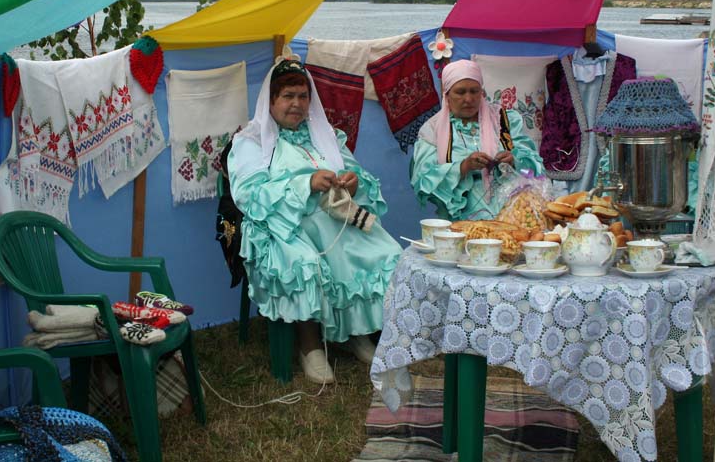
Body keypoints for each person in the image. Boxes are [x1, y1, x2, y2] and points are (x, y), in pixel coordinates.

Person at [228, 56, 401, 384]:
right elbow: (249, 195)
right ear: (271, 101)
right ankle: (310, 347)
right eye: (287, 96)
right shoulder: (251, 141)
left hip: (336, 216)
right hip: (283, 223)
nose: (296, 104)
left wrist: (353, 181)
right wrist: (304, 184)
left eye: (302, 96)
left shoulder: (325, 134)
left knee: (385, 250)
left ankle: (356, 333)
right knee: (307, 262)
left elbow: (356, 170)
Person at [411, 59, 545, 221]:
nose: (468, 99)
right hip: (461, 220)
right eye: (460, 92)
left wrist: (515, 161)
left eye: (474, 91)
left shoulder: (505, 121)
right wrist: (462, 167)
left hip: (514, 214)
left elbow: (535, 171)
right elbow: (422, 183)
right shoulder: (432, 130)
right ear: (446, 95)